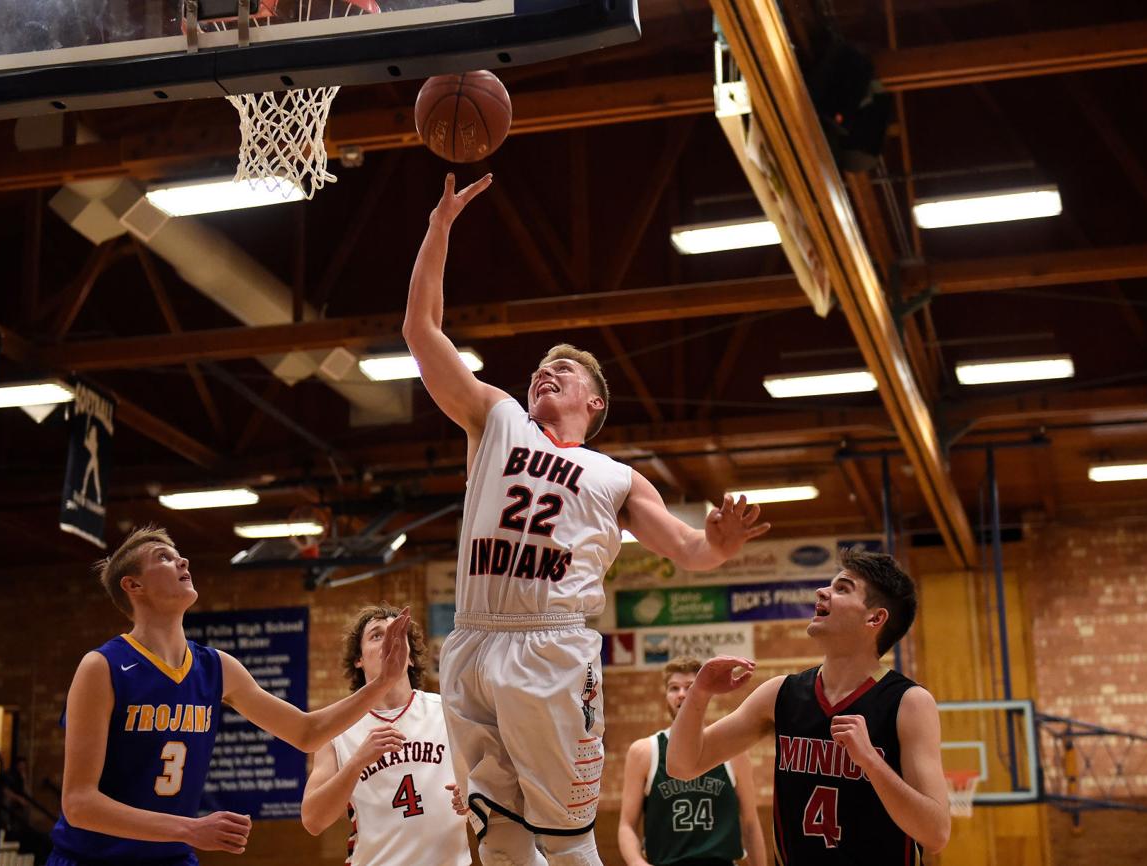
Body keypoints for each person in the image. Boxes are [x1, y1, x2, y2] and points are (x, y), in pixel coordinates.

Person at [403, 173, 772, 866]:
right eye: (543, 365)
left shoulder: (617, 477)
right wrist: (439, 229)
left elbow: (690, 549)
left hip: (551, 652)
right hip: (473, 641)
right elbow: (421, 332)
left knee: (567, 841)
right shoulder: (496, 417)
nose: (548, 371)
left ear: (595, 402)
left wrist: (718, 545)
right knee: (500, 836)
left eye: (566, 369)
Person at [47, 526, 413, 866]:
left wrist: (380, 684)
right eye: (163, 557)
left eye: (179, 555)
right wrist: (190, 828)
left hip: (170, 858)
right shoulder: (102, 667)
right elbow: (79, 803)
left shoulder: (217, 667)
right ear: (133, 585)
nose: (182, 561)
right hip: (91, 858)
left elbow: (306, 733)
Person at [667, 548, 951, 865]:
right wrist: (699, 693)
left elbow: (936, 834)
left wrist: (871, 762)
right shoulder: (780, 693)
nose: (822, 591)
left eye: (842, 588)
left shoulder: (909, 702)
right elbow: (682, 766)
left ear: (875, 617)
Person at [301, 603, 469, 866]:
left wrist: (473, 795)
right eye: (377, 635)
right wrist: (356, 763)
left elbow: (494, 780)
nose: (389, 641)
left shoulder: (448, 712)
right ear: (358, 659)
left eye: (397, 634)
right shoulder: (339, 730)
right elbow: (313, 820)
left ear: (410, 656)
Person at [618, 657, 765, 866]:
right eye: (673, 688)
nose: (681, 694)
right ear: (666, 695)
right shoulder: (644, 752)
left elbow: (750, 823)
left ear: (705, 691)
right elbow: (626, 825)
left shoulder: (734, 752)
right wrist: (636, 862)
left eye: (690, 687)